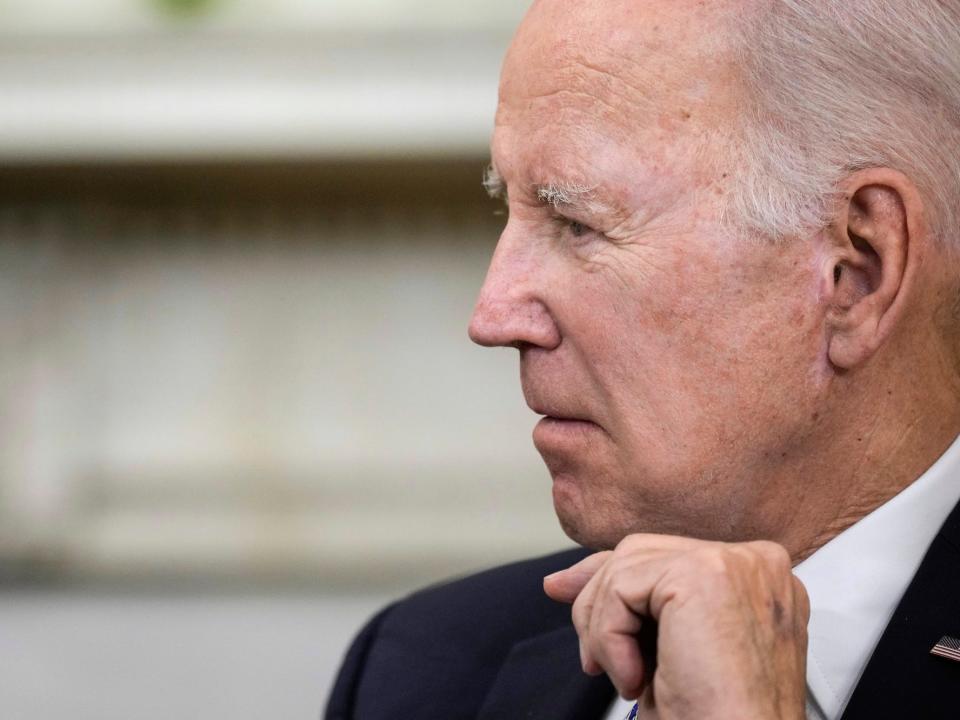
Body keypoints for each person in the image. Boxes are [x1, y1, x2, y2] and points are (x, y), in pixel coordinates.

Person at [326, 1, 960, 718]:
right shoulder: (420, 672)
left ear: (856, 270)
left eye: (577, 223)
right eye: (512, 211)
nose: (493, 317)